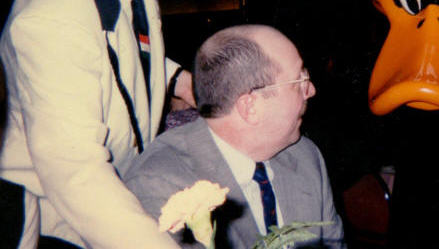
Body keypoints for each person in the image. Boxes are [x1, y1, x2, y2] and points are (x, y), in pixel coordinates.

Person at [0, 0, 195, 248]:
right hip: (53, 219)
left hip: (108, 198)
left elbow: (120, 48)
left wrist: (177, 79)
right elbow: (76, 174)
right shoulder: (52, 22)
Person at [124, 24, 345, 248]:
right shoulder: (161, 186)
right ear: (250, 107)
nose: (311, 91)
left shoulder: (304, 155)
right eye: (299, 81)